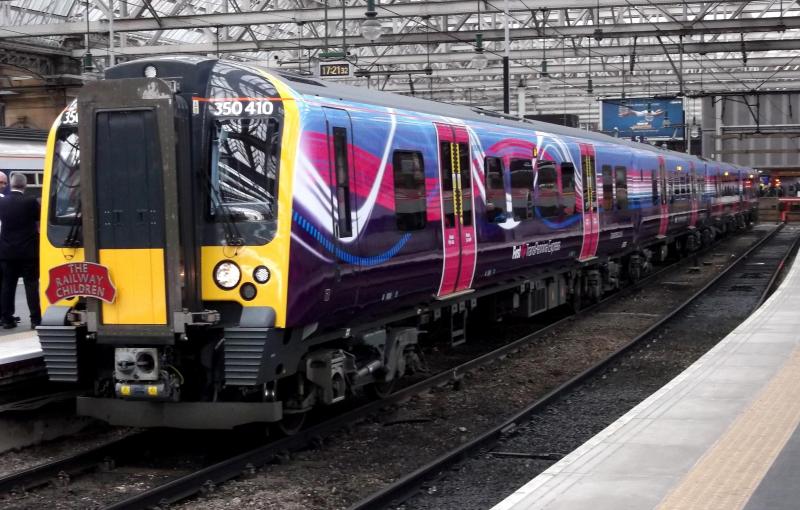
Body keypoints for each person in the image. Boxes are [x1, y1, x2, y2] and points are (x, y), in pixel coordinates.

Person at [0, 173, 41, 329]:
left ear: (11, 184)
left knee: (8, 285)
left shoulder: (2, 202)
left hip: (7, 251)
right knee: (31, 285)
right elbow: (39, 220)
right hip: (28, 251)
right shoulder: (30, 201)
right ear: (25, 185)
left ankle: (7, 319)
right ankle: (35, 319)